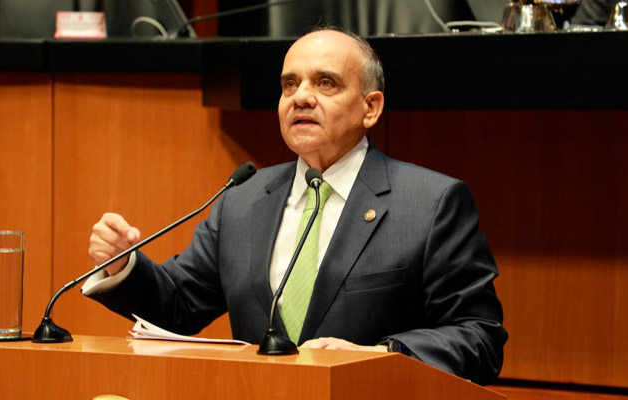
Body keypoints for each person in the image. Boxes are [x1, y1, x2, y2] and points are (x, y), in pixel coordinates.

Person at [82, 28, 507, 385]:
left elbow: (480, 338)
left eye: (325, 83)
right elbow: (178, 306)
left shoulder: (430, 203)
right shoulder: (243, 198)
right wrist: (123, 266)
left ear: (370, 108)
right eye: (290, 84)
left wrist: (380, 354)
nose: (300, 97)